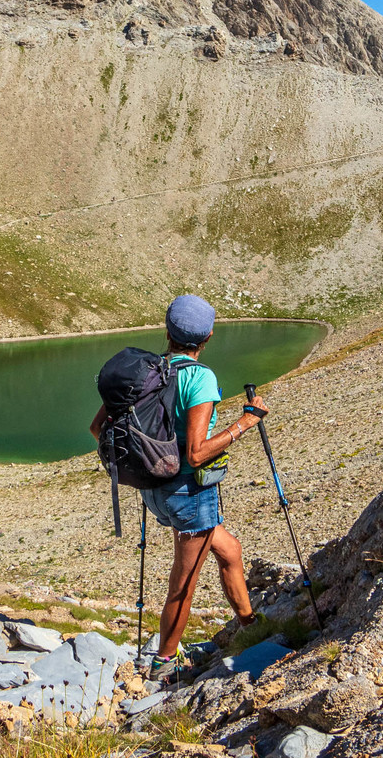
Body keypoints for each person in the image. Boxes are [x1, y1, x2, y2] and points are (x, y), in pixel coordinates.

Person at [92, 293, 266, 684]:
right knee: (183, 584)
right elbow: (198, 452)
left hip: (153, 489)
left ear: (168, 330)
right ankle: (164, 663)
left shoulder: (146, 372)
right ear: (206, 338)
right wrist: (245, 423)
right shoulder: (199, 377)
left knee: (229, 548)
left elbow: (96, 428)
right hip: (190, 494)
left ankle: (249, 623)